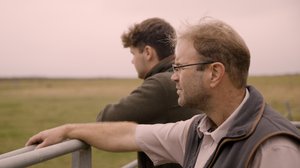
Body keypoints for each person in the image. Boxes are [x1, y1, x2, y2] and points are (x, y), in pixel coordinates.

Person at [26, 17, 300, 168]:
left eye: (181, 66)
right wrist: (68, 130)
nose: (175, 76)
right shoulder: (197, 131)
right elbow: (126, 134)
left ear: (215, 73)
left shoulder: (274, 149)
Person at [98, 17, 200, 168]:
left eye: (133, 54)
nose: (132, 61)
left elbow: (105, 120)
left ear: (147, 52)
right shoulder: (183, 75)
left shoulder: (161, 84)